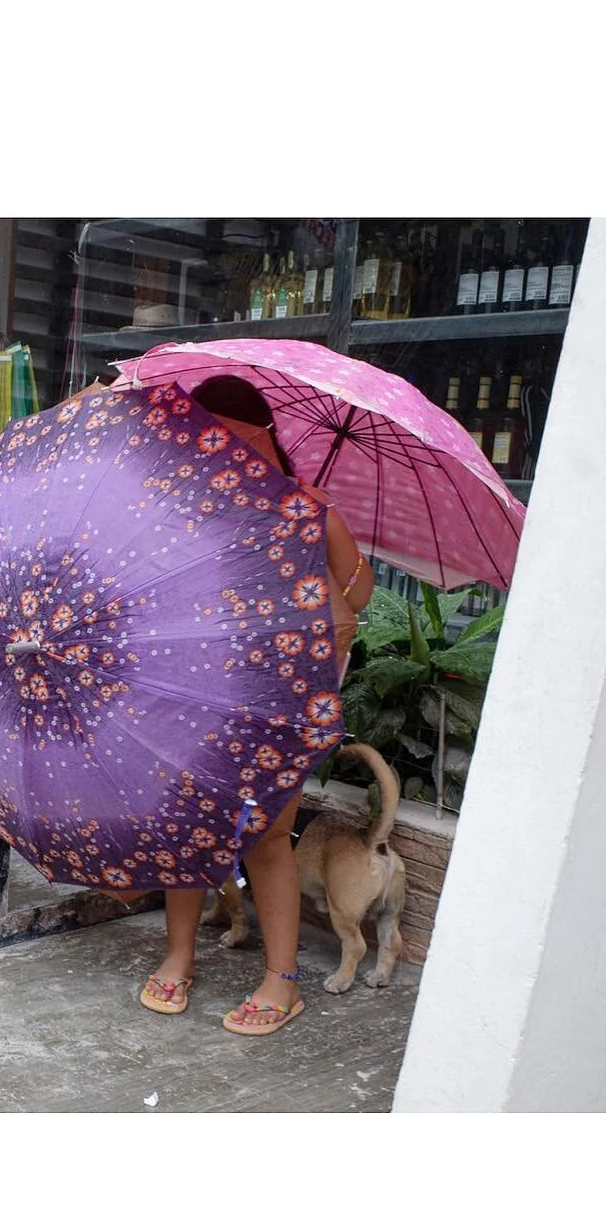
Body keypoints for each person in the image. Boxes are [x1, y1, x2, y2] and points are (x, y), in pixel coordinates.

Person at [139, 375, 375, 1036]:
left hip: (279, 709)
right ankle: (178, 956)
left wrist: (326, 528)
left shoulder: (310, 511)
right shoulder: (188, 512)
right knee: (188, 830)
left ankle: (283, 980)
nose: (211, 451)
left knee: (270, 840)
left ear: (260, 437)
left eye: (226, 436)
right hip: (193, 697)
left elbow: (356, 601)